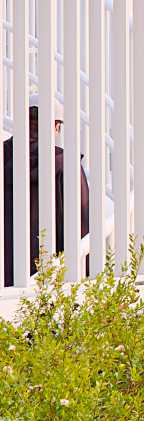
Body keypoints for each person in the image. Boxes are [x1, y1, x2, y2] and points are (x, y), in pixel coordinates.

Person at [2, 107, 91, 288]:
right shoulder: (65, 162)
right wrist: (86, 269)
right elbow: (80, 219)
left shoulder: (3, 156)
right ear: (55, 125)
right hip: (48, 275)